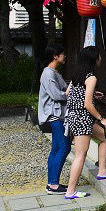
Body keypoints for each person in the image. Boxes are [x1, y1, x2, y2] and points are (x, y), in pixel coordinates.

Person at [63, 46, 106, 199]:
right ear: (94, 59)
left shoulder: (76, 75)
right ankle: (70, 191)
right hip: (83, 118)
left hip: (75, 117)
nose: (100, 59)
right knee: (80, 155)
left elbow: (68, 94)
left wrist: (92, 94)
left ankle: (102, 171)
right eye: (99, 57)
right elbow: (87, 104)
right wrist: (101, 119)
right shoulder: (91, 78)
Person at [40, 45, 71, 194]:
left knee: (56, 148)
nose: (64, 56)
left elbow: (63, 92)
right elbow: (57, 95)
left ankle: (51, 183)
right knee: (64, 147)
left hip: (56, 115)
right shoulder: (48, 73)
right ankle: (53, 184)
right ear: (55, 56)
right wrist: (69, 91)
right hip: (55, 115)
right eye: (62, 54)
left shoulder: (54, 72)